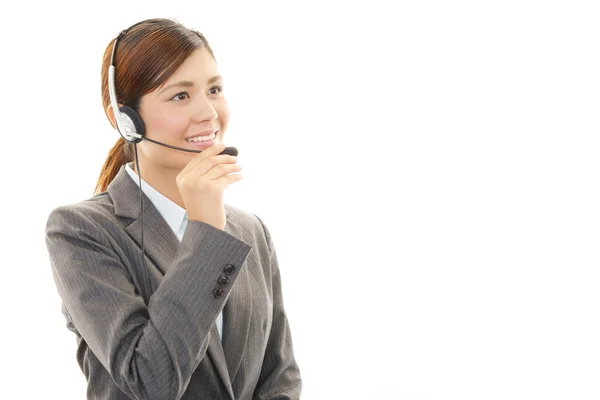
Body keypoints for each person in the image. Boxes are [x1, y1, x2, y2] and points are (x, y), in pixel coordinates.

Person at [45, 18, 301, 400]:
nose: (209, 113)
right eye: (181, 96)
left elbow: (280, 377)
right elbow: (152, 382)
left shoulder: (252, 231)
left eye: (214, 89)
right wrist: (206, 232)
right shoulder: (80, 230)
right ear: (126, 120)